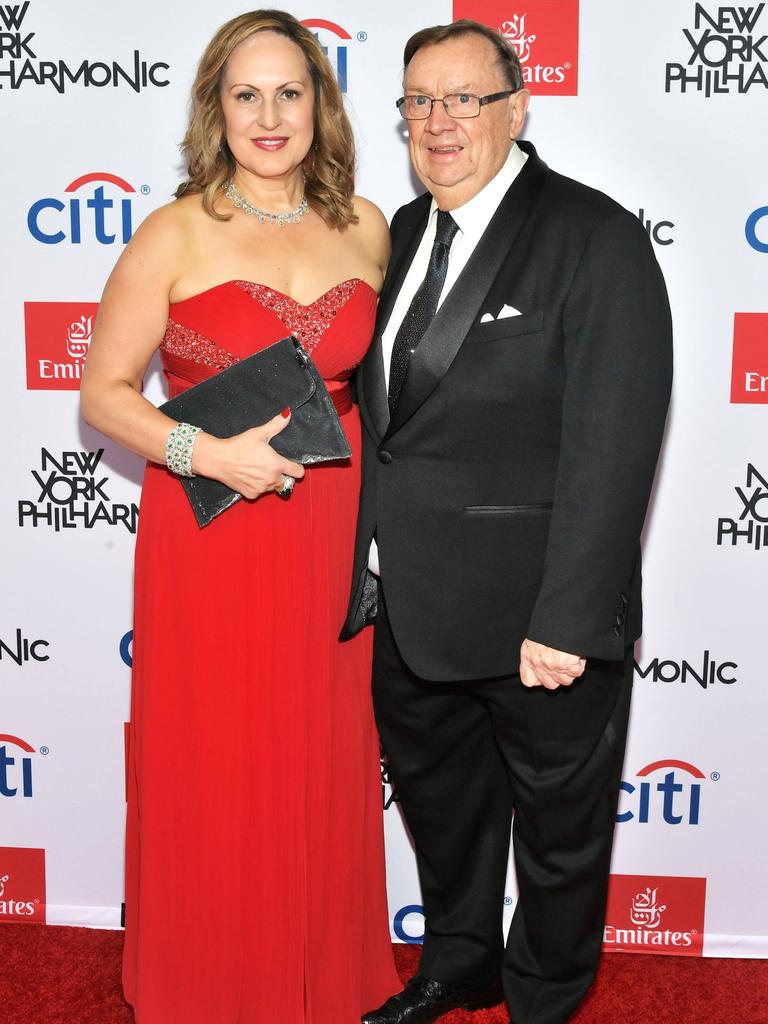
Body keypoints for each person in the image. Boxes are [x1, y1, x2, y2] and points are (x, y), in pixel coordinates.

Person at [341, 20, 672, 1024]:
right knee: (448, 816)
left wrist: (571, 618)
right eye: (418, 103)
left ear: (518, 108)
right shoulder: (393, 236)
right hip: (412, 608)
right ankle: (461, 960)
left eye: (464, 99)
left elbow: (614, 446)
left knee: (561, 837)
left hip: (539, 617)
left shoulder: (593, 237)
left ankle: (544, 997)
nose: (439, 124)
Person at [80, 10, 400, 1023]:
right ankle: (212, 984)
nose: (271, 115)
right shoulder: (173, 231)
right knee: (217, 756)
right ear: (216, 108)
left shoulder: (367, 225)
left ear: (321, 104)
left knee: (325, 749)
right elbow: (103, 393)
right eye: (247, 93)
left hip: (331, 521)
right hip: (211, 526)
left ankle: (321, 975)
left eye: (291, 92)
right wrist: (209, 452)